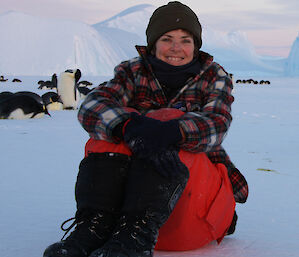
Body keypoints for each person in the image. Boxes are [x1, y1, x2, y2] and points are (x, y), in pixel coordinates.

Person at [43, 2, 248, 257]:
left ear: (196, 46)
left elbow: (217, 123)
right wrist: (128, 127)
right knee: (112, 129)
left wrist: (171, 131)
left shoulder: (213, 76)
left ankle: (137, 237)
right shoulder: (132, 72)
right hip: (131, 204)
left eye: (185, 40)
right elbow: (92, 107)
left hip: (192, 206)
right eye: (167, 39)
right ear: (153, 43)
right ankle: (95, 226)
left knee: (167, 120)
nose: (176, 48)